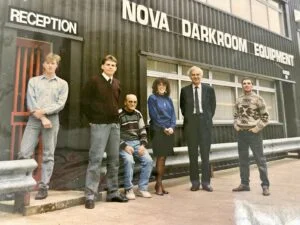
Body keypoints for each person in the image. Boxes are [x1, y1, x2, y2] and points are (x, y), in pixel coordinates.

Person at [18, 53, 69, 200]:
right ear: (43, 65)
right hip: (34, 120)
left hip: (52, 121)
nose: (50, 66)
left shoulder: (62, 84)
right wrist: (41, 117)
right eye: (47, 63)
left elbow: (60, 104)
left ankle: (43, 187)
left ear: (56, 66)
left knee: (48, 154)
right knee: (24, 152)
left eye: (53, 63)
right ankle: (22, 186)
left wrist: (45, 114)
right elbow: (31, 101)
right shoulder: (34, 81)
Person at [81, 55, 128, 209]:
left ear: (116, 68)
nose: (110, 67)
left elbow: (116, 102)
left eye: (113, 65)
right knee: (95, 159)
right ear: (102, 66)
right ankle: (90, 194)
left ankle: (113, 192)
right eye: (108, 65)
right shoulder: (94, 81)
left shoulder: (116, 83)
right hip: (99, 125)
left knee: (114, 160)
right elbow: (84, 102)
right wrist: (92, 119)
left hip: (114, 125)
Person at [180, 66, 216, 192]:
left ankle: (206, 183)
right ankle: (195, 182)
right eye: (193, 75)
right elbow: (183, 108)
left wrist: (205, 118)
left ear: (201, 76)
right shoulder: (184, 90)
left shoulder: (209, 89)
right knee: (193, 155)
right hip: (191, 125)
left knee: (205, 155)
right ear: (190, 76)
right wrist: (191, 118)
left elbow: (212, 107)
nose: (195, 77)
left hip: (205, 125)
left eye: (198, 75)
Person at [232, 77, 270, 196]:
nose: (246, 85)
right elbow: (235, 115)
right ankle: (244, 184)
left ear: (252, 85)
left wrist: (256, 129)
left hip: (254, 133)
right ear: (242, 86)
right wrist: (236, 126)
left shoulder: (258, 99)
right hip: (241, 134)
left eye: (248, 83)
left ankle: (265, 185)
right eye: (244, 83)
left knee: (260, 160)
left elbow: (265, 117)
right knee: (243, 160)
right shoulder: (238, 100)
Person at [119, 94, 153, 200]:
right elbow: (115, 133)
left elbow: (143, 131)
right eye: (130, 101)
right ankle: (128, 189)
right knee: (129, 161)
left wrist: (142, 145)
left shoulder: (138, 114)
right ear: (125, 102)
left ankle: (142, 189)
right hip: (124, 144)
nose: (132, 104)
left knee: (148, 160)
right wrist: (124, 146)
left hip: (137, 143)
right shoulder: (119, 114)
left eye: (134, 102)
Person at [148, 78, 176, 196]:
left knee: (164, 158)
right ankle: (158, 184)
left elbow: (173, 115)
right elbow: (154, 116)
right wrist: (164, 128)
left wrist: (172, 127)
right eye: (159, 84)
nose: (161, 86)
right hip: (158, 131)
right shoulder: (152, 98)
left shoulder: (169, 99)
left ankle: (159, 183)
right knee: (160, 157)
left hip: (169, 131)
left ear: (166, 87)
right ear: (155, 86)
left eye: (164, 85)